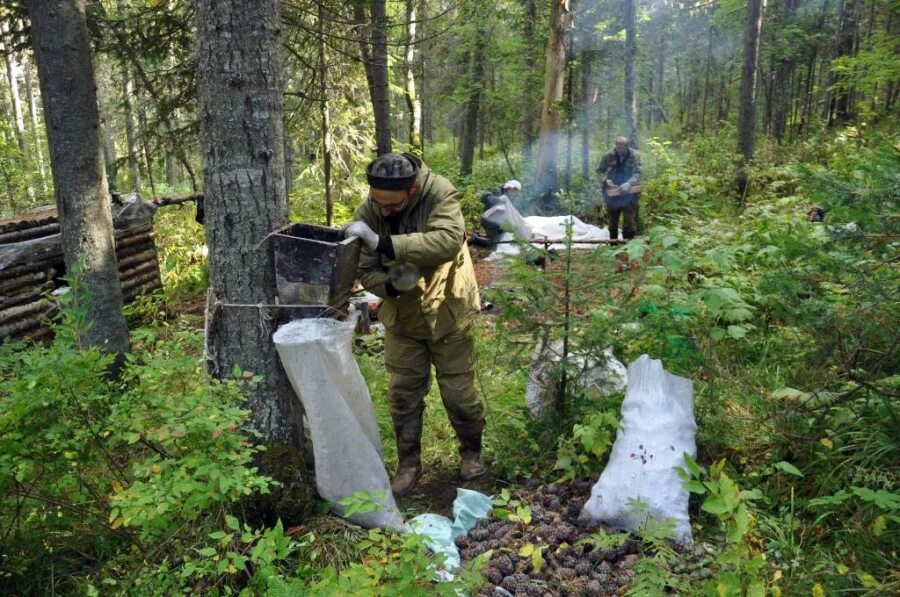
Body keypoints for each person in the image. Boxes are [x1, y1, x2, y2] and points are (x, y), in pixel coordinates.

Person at [343, 153, 485, 496]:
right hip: (403, 318)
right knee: (403, 395)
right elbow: (364, 269)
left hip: (449, 310)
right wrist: (390, 285)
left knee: (459, 393)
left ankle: (472, 453)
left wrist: (385, 243)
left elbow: (449, 240)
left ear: (414, 188)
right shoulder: (370, 210)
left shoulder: (440, 194)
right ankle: (408, 465)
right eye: (378, 204)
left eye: (392, 206)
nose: (384, 211)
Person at [597, 136, 642, 240]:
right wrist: (605, 180)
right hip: (613, 193)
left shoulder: (635, 155)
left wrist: (629, 183)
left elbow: (638, 173)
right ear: (615, 146)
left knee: (629, 223)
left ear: (627, 146)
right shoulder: (608, 155)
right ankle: (613, 247)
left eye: (622, 148)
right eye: (618, 148)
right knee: (612, 222)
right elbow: (600, 171)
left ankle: (628, 249)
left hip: (629, 194)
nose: (620, 151)